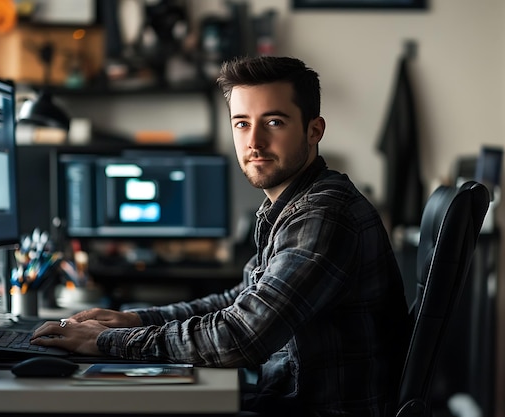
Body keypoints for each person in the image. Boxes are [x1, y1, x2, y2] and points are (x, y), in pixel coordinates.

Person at [32, 55, 410, 416]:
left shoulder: (325, 213)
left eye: (274, 122)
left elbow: (241, 337)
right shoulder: (292, 206)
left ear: (314, 130)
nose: (254, 142)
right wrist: (137, 319)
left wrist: (102, 342)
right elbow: (240, 300)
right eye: (242, 123)